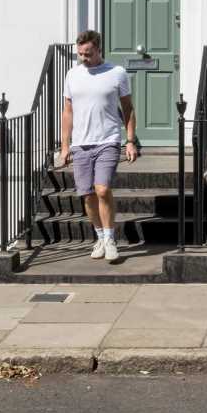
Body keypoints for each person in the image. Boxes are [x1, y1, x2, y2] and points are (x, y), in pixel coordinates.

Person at [58, 30, 140, 262]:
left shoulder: (116, 73)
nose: (84, 57)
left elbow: (128, 108)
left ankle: (111, 239)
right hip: (81, 144)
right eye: (80, 53)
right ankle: (100, 237)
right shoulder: (72, 75)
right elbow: (68, 112)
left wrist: (130, 141)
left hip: (108, 140)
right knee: (87, 195)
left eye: (88, 53)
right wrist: (65, 146)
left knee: (102, 189)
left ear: (99, 50)